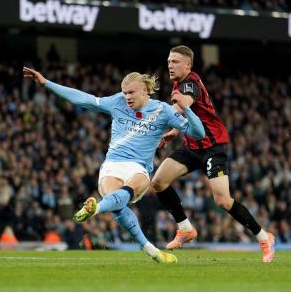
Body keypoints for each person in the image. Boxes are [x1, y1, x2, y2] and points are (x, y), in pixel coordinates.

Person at [23, 66, 206, 263]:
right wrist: (47, 83)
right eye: (125, 92)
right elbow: (82, 99)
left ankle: (96, 208)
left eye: (131, 92)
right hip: (113, 164)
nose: (126, 96)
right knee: (117, 203)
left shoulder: (164, 110)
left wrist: (186, 108)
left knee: (131, 187)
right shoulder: (117, 101)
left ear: (145, 90)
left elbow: (198, 134)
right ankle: (152, 251)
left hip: (139, 167)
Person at [151, 45, 275, 263]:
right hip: (192, 146)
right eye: (169, 61)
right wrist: (174, 131)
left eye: (175, 61)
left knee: (223, 201)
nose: (170, 65)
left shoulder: (190, 83)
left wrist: (160, 119)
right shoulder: (178, 84)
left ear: (187, 64)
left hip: (213, 146)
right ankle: (185, 229)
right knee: (159, 182)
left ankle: (265, 237)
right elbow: (188, 114)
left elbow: (184, 105)